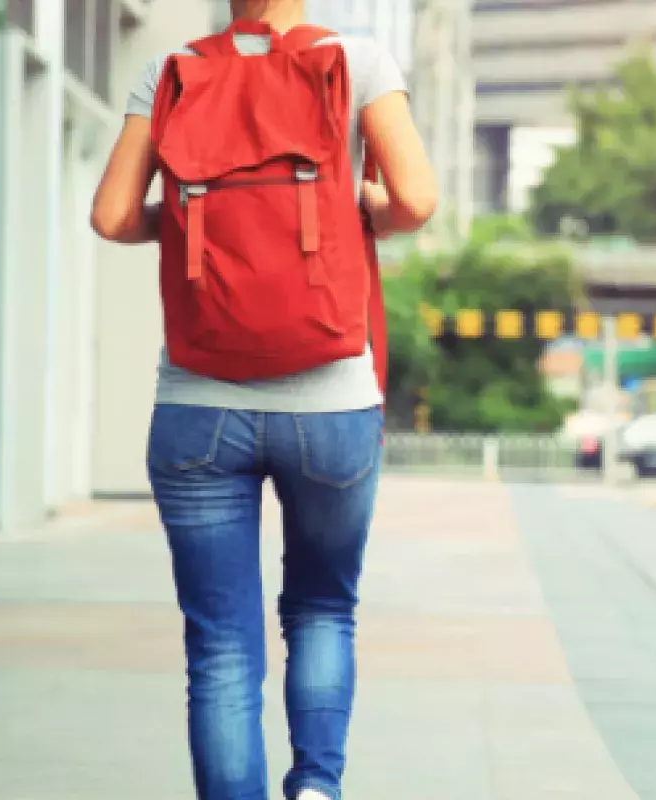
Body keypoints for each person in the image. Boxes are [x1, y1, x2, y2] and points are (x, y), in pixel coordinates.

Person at [90, 1, 437, 798]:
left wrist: (181, 225)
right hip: (332, 403)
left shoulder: (171, 71)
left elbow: (110, 215)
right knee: (321, 609)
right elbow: (415, 201)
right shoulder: (360, 64)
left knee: (220, 648)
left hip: (198, 403)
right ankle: (316, 787)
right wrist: (352, 209)